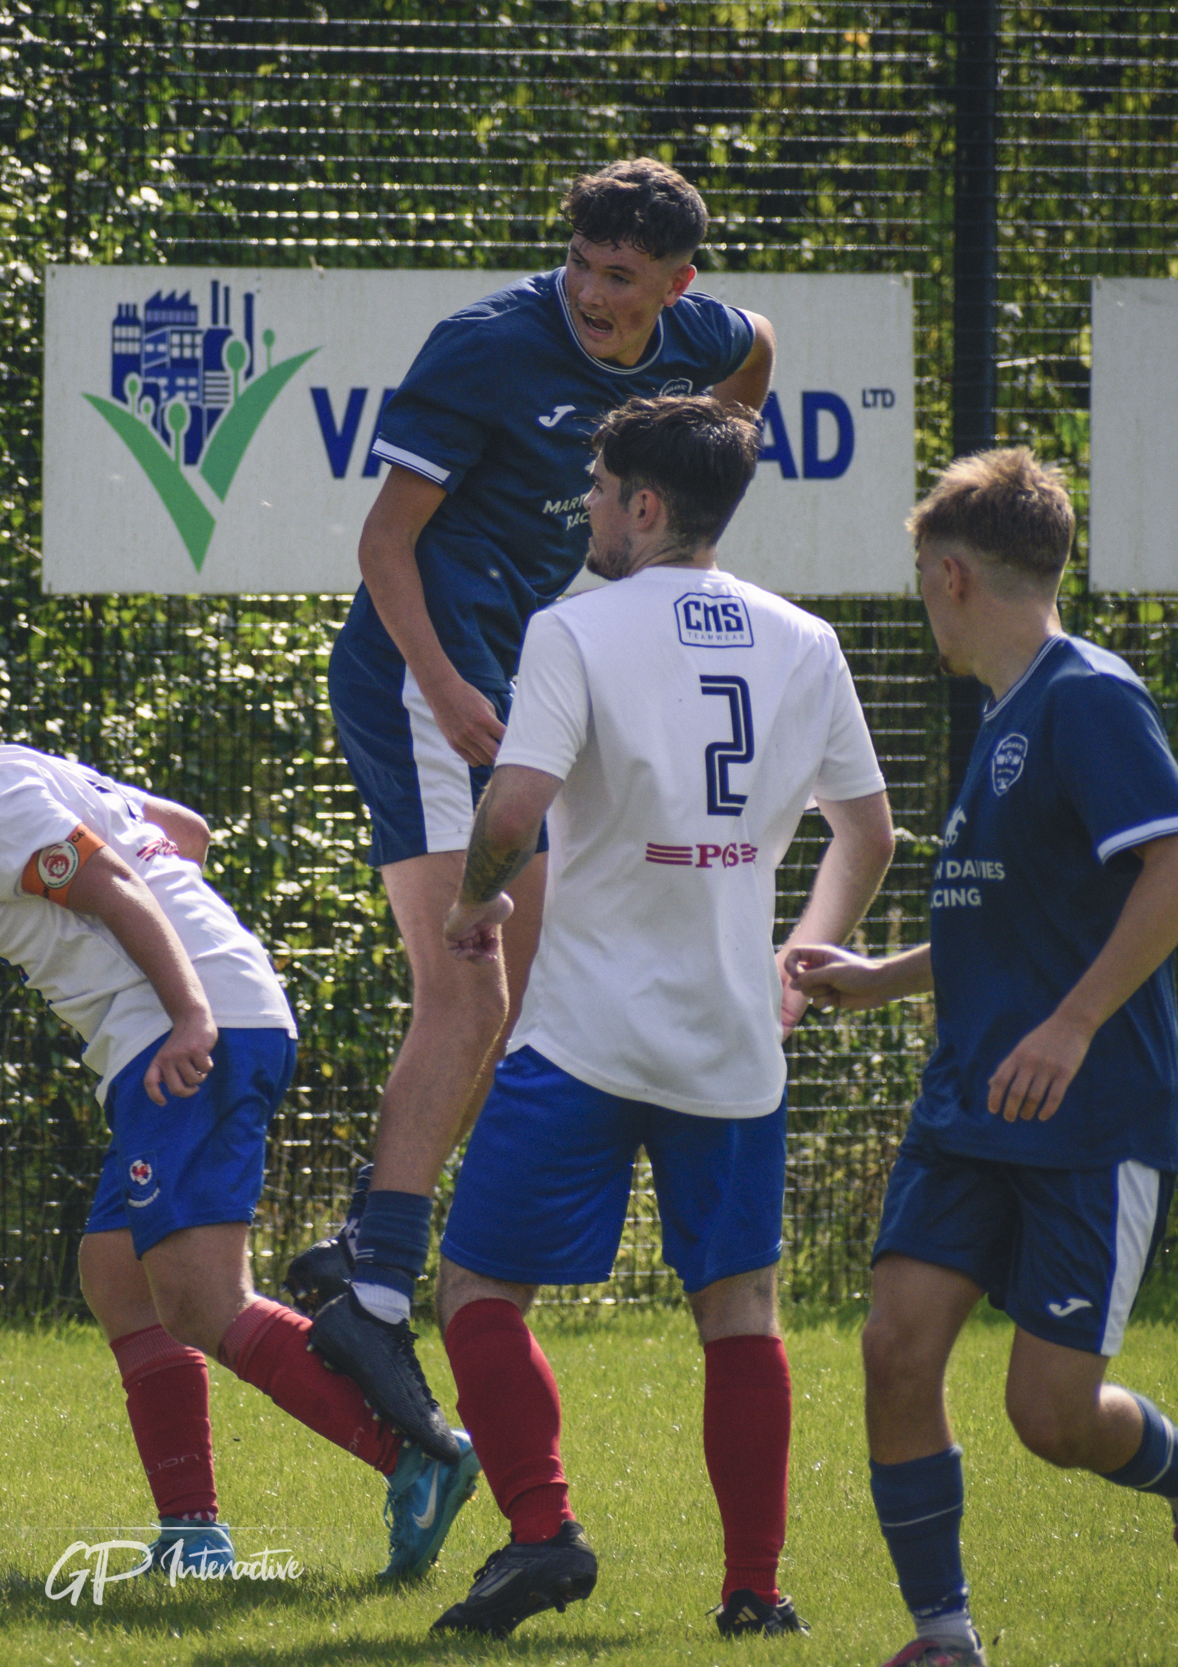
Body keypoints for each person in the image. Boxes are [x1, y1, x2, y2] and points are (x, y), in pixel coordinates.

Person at [0, 635, 484, 1583]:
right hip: (207, 1013)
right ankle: (193, 1539)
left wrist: (187, 1011)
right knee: (118, 1272)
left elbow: (109, 882)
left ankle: (419, 1455)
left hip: (188, 1030)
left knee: (201, 1297)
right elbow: (183, 830)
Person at [302, 157, 779, 1463]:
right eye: (578, 262)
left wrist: (694, 499)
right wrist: (447, 685)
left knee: (516, 972)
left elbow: (755, 351)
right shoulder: (486, 347)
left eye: (620, 274)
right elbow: (383, 543)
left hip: (503, 670)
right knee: (471, 980)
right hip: (421, 674)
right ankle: (375, 1284)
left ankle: (367, 1240)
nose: (591, 291)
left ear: (675, 283)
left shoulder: (695, 333)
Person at [409, 395, 893, 1640]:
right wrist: (802, 957)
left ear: (644, 505)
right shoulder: (805, 639)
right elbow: (868, 831)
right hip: (732, 1036)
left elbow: (511, 806)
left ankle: (541, 1529)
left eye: (598, 488)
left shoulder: (574, 626)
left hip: (583, 1030)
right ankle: (755, 1591)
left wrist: (474, 901)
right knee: (739, 1308)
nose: (586, 507)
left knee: (475, 1286)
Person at [786, 449, 1178, 1667]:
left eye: (919, 581)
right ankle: (943, 1635)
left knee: (1049, 1416)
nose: (922, 603)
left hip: (1085, 1114)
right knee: (894, 1345)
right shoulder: (1006, 712)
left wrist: (1073, 1022)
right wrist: (877, 978)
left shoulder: (1086, 696)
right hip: (966, 1105)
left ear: (950, 576)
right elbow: (1006, 915)